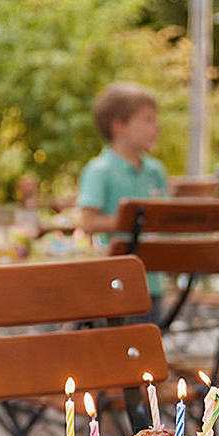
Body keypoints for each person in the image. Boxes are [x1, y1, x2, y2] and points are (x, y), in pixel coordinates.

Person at [77, 82, 168, 313]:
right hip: (113, 285)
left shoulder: (155, 171)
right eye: (147, 120)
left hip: (153, 282)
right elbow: (88, 222)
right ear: (119, 127)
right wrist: (131, 221)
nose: (156, 128)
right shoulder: (100, 170)